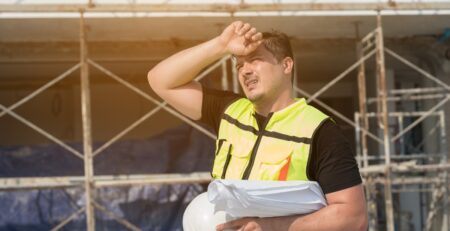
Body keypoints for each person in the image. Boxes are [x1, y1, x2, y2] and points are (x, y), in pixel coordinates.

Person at [148, 21, 368, 231]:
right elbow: (160, 80)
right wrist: (220, 45)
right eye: (240, 65)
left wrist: (272, 227)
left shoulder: (319, 130)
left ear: (286, 65)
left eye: (255, 60)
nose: (245, 70)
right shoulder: (228, 110)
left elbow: (353, 217)